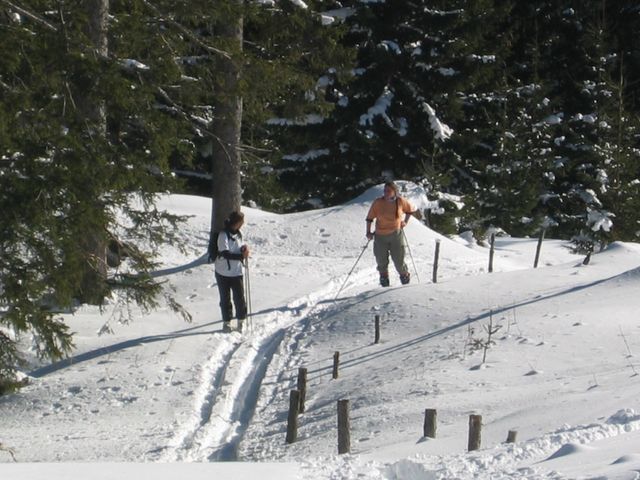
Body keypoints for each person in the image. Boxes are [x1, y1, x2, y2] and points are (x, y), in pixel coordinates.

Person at [366, 181, 416, 287]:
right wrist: (368, 232)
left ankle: (405, 280)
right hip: (380, 236)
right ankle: (384, 284)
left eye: (388, 191)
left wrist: (405, 222)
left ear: (394, 191)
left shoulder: (400, 201)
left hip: (396, 235)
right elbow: (369, 218)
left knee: (399, 261)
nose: (386, 193)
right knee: (381, 261)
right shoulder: (378, 202)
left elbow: (410, 210)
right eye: (385, 191)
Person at [212, 211, 250, 329]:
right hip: (223, 272)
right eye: (242, 221)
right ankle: (226, 322)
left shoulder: (239, 234)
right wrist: (241, 256)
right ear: (237, 222)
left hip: (236, 271)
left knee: (239, 298)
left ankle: (241, 321)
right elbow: (225, 254)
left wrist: (244, 249)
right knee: (225, 298)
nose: (243, 223)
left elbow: (238, 247)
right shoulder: (223, 235)